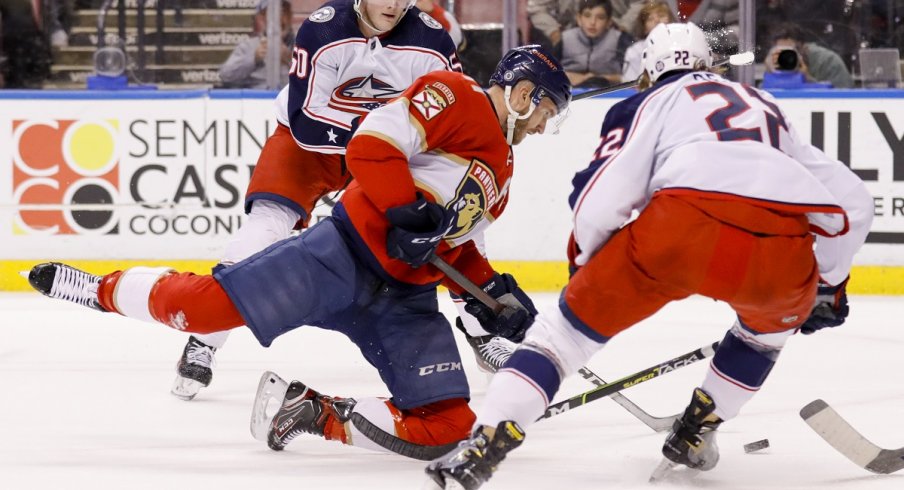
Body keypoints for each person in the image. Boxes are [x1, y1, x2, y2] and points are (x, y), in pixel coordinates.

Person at [27, 45, 572, 457]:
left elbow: (453, 247)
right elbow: (372, 144)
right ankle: (99, 289)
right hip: (338, 256)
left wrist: (492, 295)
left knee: (447, 426)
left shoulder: (503, 169)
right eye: (548, 111)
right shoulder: (455, 95)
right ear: (524, 95)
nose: (546, 126)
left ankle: (309, 410)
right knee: (200, 310)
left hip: (404, 302)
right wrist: (403, 210)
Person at [425, 22, 873, 489]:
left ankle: (486, 442)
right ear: (705, 62)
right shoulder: (765, 105)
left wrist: (586, 272)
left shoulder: (647, 102)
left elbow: (603, 198)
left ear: (649, 68)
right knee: (764, 336)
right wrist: (826, 288)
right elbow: (853, 206)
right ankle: (697, 431)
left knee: (561, 339)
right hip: (779, 248)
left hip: (680, 229)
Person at [171, 0, 466, 401]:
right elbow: (307, 122)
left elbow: (454, 119)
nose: (394, 4)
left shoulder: (432, 42)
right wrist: (377, 137)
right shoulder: (323, 29)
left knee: (455, 214)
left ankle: (480, 330)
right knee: (264, 229)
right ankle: (205, 337)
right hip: (312, 144)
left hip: (391, 152)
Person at [218, 0, 293, 89]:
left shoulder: (304, 46)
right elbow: (225, 75)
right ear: (263, 17)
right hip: (255, 99)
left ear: (290, 16)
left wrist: (290, 59)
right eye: (272, 12)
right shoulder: (248, 46)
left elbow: (312, 83)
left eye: (283, 12)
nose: (279, 18)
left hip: (290, 100)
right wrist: (254, 58)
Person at [559, 0, 632, 88]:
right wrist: (574, 77)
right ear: (579, 18)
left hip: (609, 93)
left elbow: (631, 76)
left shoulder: (620, 39)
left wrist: (600, 78)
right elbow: (549, 71)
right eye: (587, 16)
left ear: (609, 22)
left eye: (600, 17)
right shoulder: (565, 38)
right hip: (568, 92)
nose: (593, 22)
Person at [763, 22, 854, 89]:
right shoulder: (773, 61)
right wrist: (770, 74)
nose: (786, 57)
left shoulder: (828, 61)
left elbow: (845, 97)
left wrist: (807, 79)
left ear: (804, 48)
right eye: (781, 52)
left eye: (791, 52)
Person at [621, 0, 675, 81]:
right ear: (644, 28)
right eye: (650, 19)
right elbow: (630, 84)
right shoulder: (635, 51)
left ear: (671, 21)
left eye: (661, 16)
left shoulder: (683, 43)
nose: (657, 20)